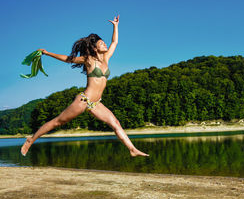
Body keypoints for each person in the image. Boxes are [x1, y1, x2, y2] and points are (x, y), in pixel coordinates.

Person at [20, 15, 149, 157]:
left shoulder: (106, 58)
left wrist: (115, 26)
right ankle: (31, 140)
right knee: (58, 122)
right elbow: (68, 59)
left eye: (104, 43)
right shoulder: (88, 59)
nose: (105, 45)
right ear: (94, 48)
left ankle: (132, 149)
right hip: (84, 100)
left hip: (96, 103)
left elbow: (115, 42)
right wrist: (47, 53)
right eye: (101, 43)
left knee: (115, 123)